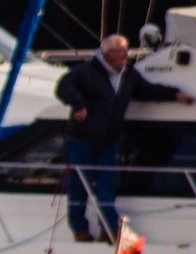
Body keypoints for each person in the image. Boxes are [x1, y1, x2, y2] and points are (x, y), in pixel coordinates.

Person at [55, 35, 194, 241]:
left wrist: (174, 95)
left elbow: (146, 90)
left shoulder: (128, 74)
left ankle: (109, 227)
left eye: (125, 51)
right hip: (83, 137)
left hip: (109, 139)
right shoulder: (85, 72)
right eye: (119, 52)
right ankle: (79, 228)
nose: (124, 55)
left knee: (108, 184)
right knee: (79, 184)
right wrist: (79, 104)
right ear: (106, 54)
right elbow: (63, 87)